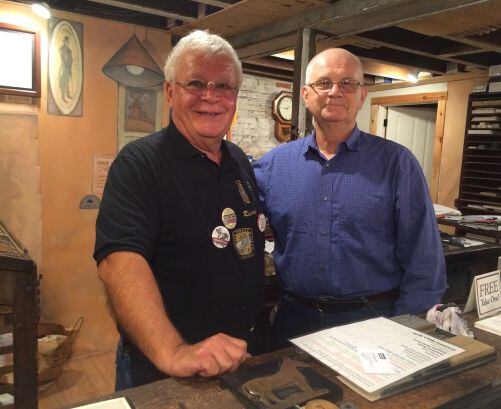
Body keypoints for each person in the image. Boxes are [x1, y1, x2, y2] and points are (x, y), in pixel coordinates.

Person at [94, 30, 265, 389]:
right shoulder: (139, 164)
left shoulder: (238, 161)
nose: (211, 97)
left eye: (224, 86)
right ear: (170, 91)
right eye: (196, 83)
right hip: (168, 371)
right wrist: (175, 352)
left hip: (237, 359)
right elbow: (119, 263)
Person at [254, 48, 446, 348]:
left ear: (362, 95)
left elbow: (424, 260)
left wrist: (406, 330)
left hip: (374, 321)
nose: (335, 91)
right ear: (305, 94)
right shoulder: (272, 167)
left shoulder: (396, 163)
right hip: (294, 323)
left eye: (347, 83)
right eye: (324, 82)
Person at [59, 36, 73, 103]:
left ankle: (67, 94)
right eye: (66, 41)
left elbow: (70, 59)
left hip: (68, 67)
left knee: (67, 82)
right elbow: (63, 59)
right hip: (64, 68)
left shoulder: (68, 49)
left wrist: (69, 67)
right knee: (63, 83)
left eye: (68, 41)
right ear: (64, 41)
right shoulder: (62, 49)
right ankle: (63, 97)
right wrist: (67, 66)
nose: (67, 42)